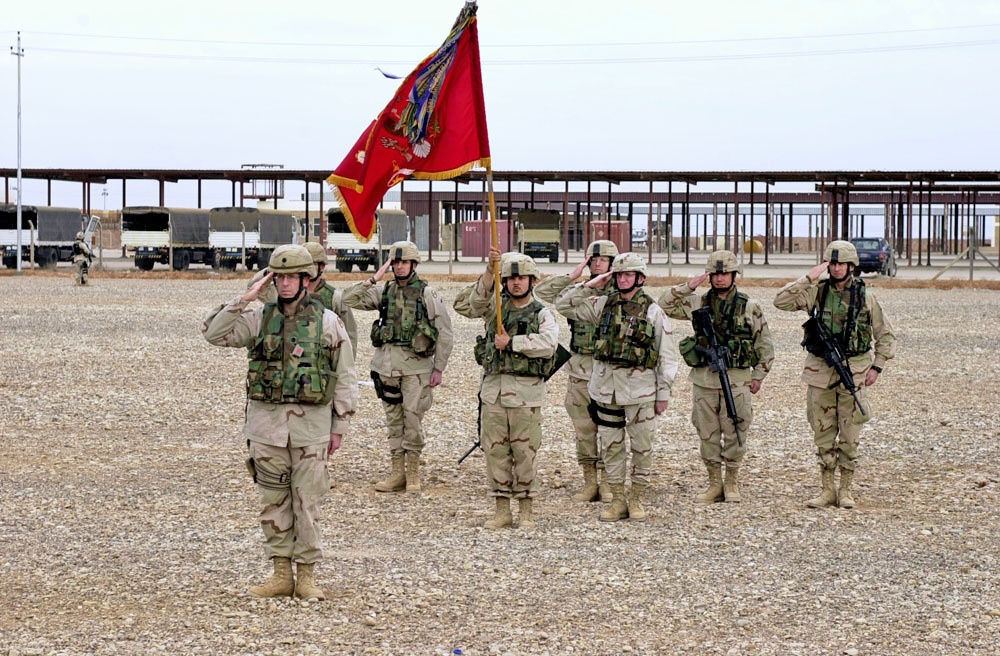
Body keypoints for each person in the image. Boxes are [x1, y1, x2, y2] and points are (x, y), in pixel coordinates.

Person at [202, 244, 358, 600]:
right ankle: (280, 574)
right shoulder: (258, 319)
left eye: (292, 277)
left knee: (307, 503)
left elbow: (345, 375)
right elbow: (214, 334)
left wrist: (340, 427)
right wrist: (248, 295)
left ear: (306, 279)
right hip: (267, 430)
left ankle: (306, 576)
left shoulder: (327, 321)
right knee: (272, 503)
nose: (286, 284)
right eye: (279, 276)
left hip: (311, 430)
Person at [556, 252, 679, 522]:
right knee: (611, 445)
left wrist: (663, 393)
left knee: (642, 446)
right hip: (606, 390)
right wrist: (590, 284)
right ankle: (617, 500)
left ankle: (636, 498)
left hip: (641, 392)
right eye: (619, 275)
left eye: (628, 275)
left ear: (640, 278)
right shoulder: (602, 305)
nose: (623, 279)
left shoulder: (653, 310)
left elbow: (667, 356)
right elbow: (563, 305)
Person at [773, 240, 896, 509]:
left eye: (841, 263)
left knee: (850, 434)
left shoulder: (865, 297)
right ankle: (827, 489)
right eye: (832, 263)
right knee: (823, 432)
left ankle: (846, 489)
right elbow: (780, 301)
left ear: (852, 266)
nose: (837, 268)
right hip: (820, 372)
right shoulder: (816, 293)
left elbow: (885, 335)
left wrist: (877, 366)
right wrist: (808, 278)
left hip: (854, 370)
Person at [453, 249, 559, 530]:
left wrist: (513, 343)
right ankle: (502, 508)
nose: (516, 283)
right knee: (495, 452)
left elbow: (549, 344)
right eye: (510, 278)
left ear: (532, 281)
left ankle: (526, 509)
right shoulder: (494, 308)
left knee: (525, 453)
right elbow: (468, 305)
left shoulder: (541, 313)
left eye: (521, 278)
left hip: (525, 394)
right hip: (494, 393)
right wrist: (489, 271)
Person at [658, 250, 775, 504]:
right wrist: (690, 285)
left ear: (735, 275)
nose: (720, 279)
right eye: (715, 274)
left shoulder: (749, 306)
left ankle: (731, 481)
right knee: (707, 432)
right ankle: (714, 483)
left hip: (737, 379)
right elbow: (664, 303)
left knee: (736, 427)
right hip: (704, 379)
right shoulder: (698, 303)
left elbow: (764, 344)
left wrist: (759, 376)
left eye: (725, 273)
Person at [343, 240, 453, 493]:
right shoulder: (385, 291)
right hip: (386, 367)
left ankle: (413, 472)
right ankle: (397, 472)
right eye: (396, 262)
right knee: (393, 421)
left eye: (404, 262)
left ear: (414, 264)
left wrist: (439, 368)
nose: (400, 267)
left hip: (416, 368)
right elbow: (348, 299)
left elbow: (445, 332)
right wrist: (373, 278)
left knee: (412, 419)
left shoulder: (427, 293)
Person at [535, 239, 619, 503]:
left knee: (609, 427)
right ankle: (589, 480)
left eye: (602, 260)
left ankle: (608, 481)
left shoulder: (624, 291)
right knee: (583, 428)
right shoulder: (578, 291)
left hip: (609, 369)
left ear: (613, 264)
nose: (596, 264)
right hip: (581, 368)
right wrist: (575, 277)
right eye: (592, 259)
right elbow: (543, 292)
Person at [248, 242, 358, 352]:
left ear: (322, 267)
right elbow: (254, 287)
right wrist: (277, 266)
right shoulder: (285, 293)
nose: (306, 269)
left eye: (311, 264)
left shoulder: (335, 298)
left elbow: (349, 336)